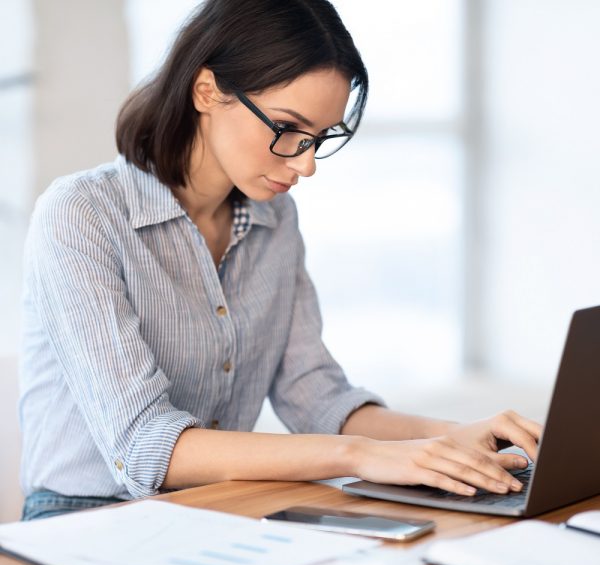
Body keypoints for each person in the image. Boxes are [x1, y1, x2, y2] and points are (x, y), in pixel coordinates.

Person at [19, 0, 541, 521]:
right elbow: (145, 445)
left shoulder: (275, 220)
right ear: (207, 90)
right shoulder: (82, 215)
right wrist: (365, 456)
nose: (306, 163)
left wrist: (454, 436)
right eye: (288, 128)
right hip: (83, 518)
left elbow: (315, 396)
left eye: (319, 138)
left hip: (215, 511)